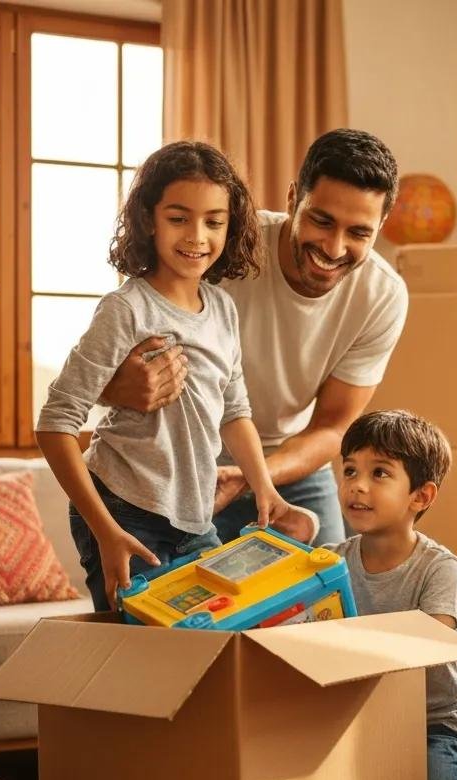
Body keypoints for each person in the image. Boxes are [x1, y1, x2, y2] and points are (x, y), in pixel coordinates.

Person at [98, 128, 408, 545]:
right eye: (321, 220)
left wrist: (253, 474)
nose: (335, 247)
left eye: (359, 233)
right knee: (187, 603)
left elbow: (334, 427)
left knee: (330, 595)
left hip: (290, 462)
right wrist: (118, 385)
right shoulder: (221, 246)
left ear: (381, 225)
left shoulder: (382, 295)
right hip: (186, 457)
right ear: (293, 198)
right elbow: (102, 370)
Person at [36, 140, 295, 612]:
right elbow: (55, 423)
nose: (197, 235)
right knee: (142, 662)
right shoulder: (125, 309)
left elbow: (235, 411)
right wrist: (106, 532)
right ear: (148, 220)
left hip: (195, 523)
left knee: (211, 647)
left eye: (214, 221)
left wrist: (265, 487)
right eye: (179, 218)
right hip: (122, 512)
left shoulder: (222, 308)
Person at [324, 410, 457, 780]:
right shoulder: (331, 561)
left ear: (420, 496)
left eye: (379, 473)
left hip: (428, 724)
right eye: (349, 470)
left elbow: (429, 643)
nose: (357, 485)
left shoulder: (438, 566)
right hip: (351, 724)